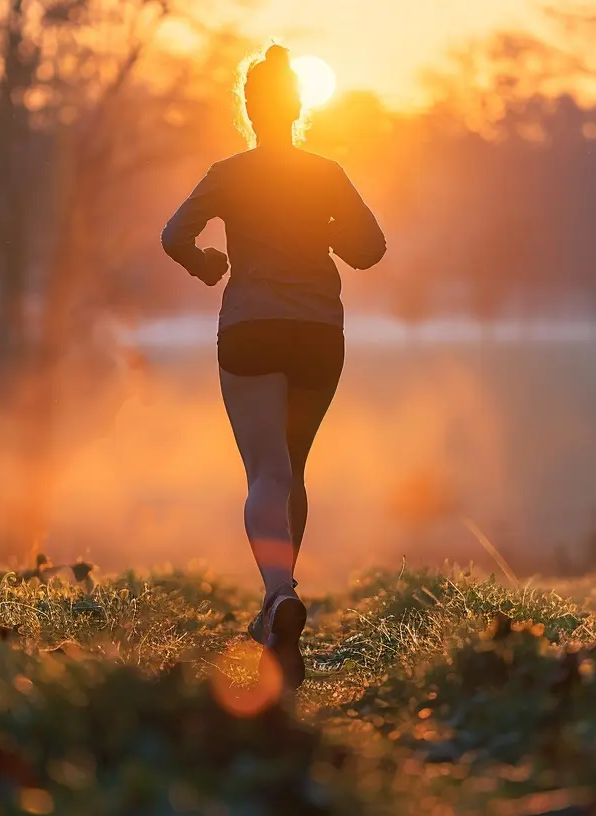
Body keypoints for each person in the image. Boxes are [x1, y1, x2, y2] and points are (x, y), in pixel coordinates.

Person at [160, 44, 387, 690]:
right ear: (299, 108)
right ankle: (279, 601)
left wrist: (206, 266)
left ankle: (278, 595)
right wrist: (329, 233)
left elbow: (175, 234)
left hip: (252, 328)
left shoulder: (229, 173)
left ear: (249, 110)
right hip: (318, 331)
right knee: (294, 470)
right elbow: (370, 249)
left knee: (267, 472)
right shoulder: (327, 173)